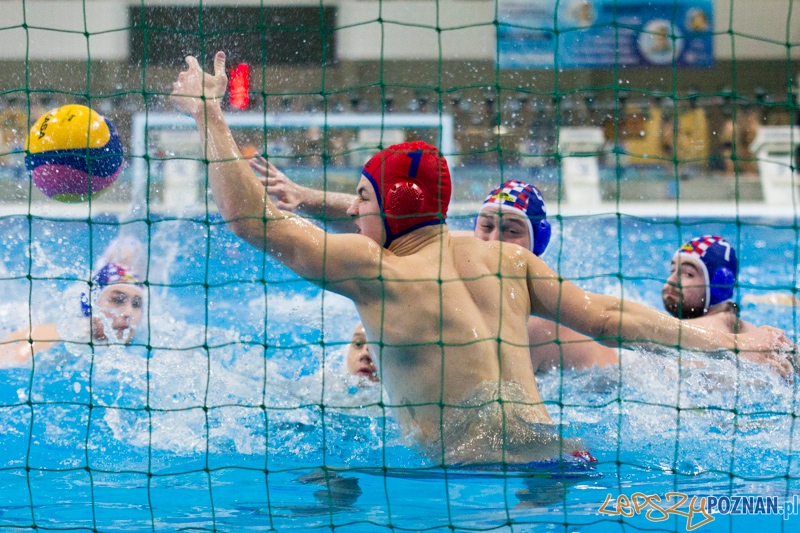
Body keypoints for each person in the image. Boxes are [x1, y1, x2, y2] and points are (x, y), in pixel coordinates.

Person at [170, 52, 791, 465]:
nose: (354, 212)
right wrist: (726, 346)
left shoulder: (375, 271)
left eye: (362, 199)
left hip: (465, 479)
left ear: (386, 209)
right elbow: (607, 315)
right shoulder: (507, 263)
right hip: (559, 457)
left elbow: (248, 220)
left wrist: (208, 117)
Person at [0, 236, 146, 368]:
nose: (128, 313)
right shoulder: (52, 337)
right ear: (91, 303)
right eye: (117, 300)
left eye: (136, 304)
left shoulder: (145, 344)